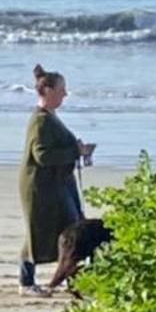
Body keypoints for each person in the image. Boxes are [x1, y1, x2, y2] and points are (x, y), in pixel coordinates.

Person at [19, 63, 95, 294]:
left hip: (57, 183)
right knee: (45, 231)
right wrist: (75, 152)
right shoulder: (41, 120)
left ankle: (71, 280)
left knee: (68, 229)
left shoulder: (49, 117)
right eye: (62, 89)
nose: (65, 94)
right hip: (42, 186)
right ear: (49, 91)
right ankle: (27, 282)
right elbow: (41, 155)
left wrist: (77, 149)